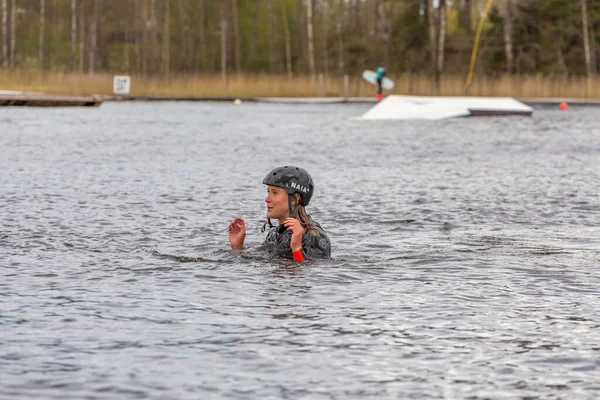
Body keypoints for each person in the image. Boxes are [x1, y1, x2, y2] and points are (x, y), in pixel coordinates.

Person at [228, 166, 331, 260]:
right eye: (268, 192)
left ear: (295, 199)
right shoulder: (274, 234)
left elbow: (308, 275)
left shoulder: (315, 236)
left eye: (275, 193)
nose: (267, 199)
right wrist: (238, 247)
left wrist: (296, 248)